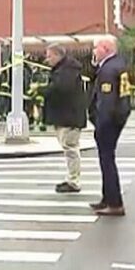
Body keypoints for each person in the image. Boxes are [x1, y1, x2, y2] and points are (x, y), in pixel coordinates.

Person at [88, 37, 131, 216]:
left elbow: (107, 102)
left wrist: (100, 123)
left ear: (105, 48)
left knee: (107, 161)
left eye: (96, 48)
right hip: (118, 118)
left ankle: (114, 202)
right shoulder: (117, 65)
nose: (94, 52)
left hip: (109, 122)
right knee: (107, 160)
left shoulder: (107, 70)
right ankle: (107, 198)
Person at [41, 44, 87, 194]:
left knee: (70, 148)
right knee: (69, 147)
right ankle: (71, 179)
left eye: (49, 56)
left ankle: (74, 181)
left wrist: (43, 91)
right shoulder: (64, 70)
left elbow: (60, 89)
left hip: (69, 116)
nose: (47, 59)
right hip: (66, 116)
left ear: (57, 55)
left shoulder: (67, 71)